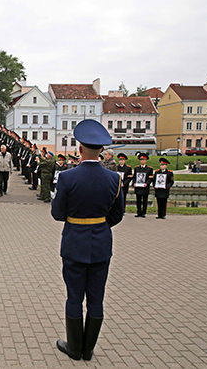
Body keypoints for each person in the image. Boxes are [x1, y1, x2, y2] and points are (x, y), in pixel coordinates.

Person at [51, 119, 124, 361]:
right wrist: (98, 227)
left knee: (74, 296)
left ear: (79, 149)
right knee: (96, 298)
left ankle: (74, 348)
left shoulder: (67, 178)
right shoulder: (114, 179)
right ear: (102, 150)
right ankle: (88, 350)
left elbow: (57, 214)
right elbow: (117, 215)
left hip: (74, 243)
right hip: (101, 245)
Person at [133, 153, 153, 218]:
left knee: (145, 200)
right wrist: (134, 183)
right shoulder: (136, 168)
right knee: (138, 200)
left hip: (145, 187)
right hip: (138, 187)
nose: (142, 161)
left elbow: (150, 178)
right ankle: (138, 212)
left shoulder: (149, 169)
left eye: (144, 160)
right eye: (141, 160)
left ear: (146, 160)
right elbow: (134, 177)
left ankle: (144, 212)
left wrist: (147, 183)